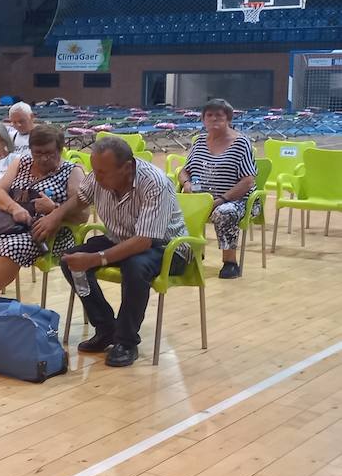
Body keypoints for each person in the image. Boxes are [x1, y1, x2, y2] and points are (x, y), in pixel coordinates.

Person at [51, 136, 189, 368]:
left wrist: (96, 258)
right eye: (94, 170)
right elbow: (81, 198)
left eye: (103, 172)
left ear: (126, 167)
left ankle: (126, 342)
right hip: (122, 239)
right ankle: (106, 328)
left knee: (134, 266)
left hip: (167, 248)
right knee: (70, 262)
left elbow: (144, 241)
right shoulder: (99, 177)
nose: (96, 177)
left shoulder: (155, 183)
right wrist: (55, 215)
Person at [0, 123, 84, 299]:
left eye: (49, 153)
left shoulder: (72, 172)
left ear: (60, 149)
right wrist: (15, 207)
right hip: (11, 225)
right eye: (37, 153)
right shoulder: (21, 162)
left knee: (11, 248)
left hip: (48, 234)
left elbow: (83, 216)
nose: (43, 159)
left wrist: (54, 209)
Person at [176, 98, 256, 279]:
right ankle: (187, 254)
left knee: (224, 213)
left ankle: (230, 262)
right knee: (173, 208)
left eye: (219, 115)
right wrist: (187, 184)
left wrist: (220, 200)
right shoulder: (199, 143)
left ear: (228, 118)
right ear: (203, 120)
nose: (214, 119)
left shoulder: (240, 143)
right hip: (201, 199)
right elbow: (184, 172)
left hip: (236, 200)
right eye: (209, 115)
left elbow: (247, 181)